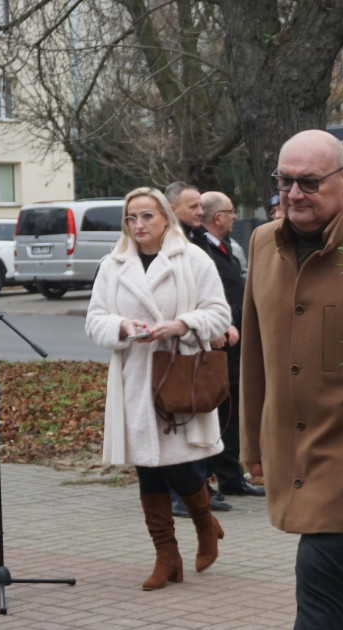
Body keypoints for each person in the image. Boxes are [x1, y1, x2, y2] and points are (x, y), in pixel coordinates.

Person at [239, 129, 343, 628]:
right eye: (284, 181)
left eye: (308, 182)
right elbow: (254, 354)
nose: (292, 194)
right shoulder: (263, 243)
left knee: (320, 570)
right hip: (290, 442)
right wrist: (252, 444)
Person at [84, 186, 232, 591]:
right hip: (134, 376)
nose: (138, 225)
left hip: (179, 373)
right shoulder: (113, 264)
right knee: (147, 466)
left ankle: (205, 524)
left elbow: (219, 313)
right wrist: (122, 327)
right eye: (131, 218)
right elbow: (94, 320)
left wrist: (183, 325)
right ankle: (166, 556)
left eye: (147, 216)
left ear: (166, 217)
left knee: (179, 462)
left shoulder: (193, 259)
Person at [163, 180, 232, 515]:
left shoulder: (193, 241)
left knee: (199, 416)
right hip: (169, 351)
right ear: (172, 208)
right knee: (177, 420)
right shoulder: (161, 247)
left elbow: (205, 293)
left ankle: (199, 487)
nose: (200, 212)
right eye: (193, 207)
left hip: (196, 344)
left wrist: (215, 323)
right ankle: (181, 494)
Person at [197, 191, 263, 498]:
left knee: (232, 412)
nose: (234, 216)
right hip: (218, 343)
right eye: (230, 211)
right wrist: (225, 321)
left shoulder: (225, 250)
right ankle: (212, 476)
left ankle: (231, 476)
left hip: (236, 343)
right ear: (216, 217)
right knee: (220, 413)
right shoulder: (202, 252)